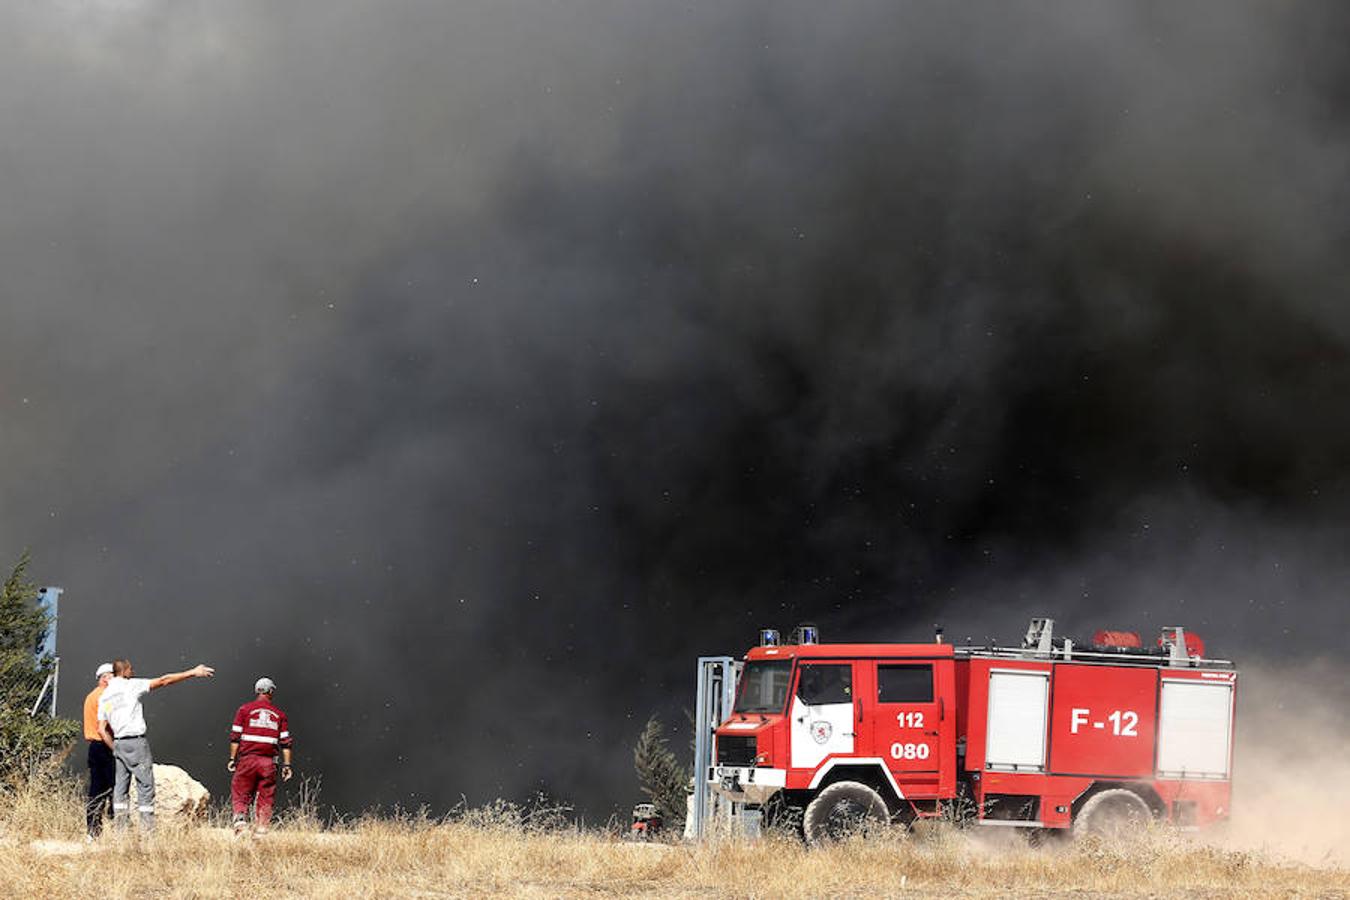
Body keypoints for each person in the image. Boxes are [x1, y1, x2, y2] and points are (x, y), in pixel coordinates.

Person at [97, 658, 215, 832]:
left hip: (120, 743)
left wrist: (115, 748)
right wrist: (192, 672)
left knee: (120, 790)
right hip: (136, 741)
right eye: (131, 669)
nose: (133, 672)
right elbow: (163, 680)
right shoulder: (130, 685)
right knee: (145, 787)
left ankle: (120, 834)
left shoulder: (105, 695)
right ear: (124, 671)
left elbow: (101, 728)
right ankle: (148, 835)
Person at [228, 676, 293, 835]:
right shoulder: (279, 715)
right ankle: (262, 828)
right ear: (270, 692)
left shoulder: (244, 710)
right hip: (268, 763)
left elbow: (235, 737)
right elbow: (285, 742)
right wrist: (287, 765)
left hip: (247, 760)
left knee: (240, 791)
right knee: (266, 796)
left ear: (257, 691)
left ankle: (241, 823)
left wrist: (232, 759)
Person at [82, 663, 115, 840]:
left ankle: (93, 832)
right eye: (112, 676)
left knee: (96, 789)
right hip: (105, 745)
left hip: (94, 747)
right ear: (104, 678)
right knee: (114, 787)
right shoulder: (105, 697)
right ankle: (117, 828)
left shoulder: (91, 696)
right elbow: (108, 723)